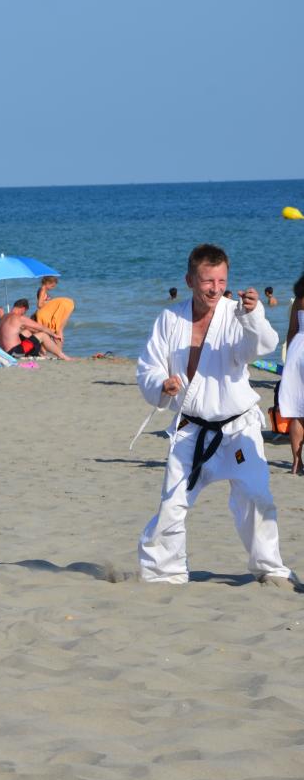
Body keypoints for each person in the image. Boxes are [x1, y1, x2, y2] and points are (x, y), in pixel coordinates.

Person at [136, 243, 294, 586]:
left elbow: (261, 346)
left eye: (222, 281)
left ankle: (269, 568)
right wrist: (162, 384)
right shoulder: (170, 319)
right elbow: (148, 365)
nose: (215, 289)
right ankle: (163, 571)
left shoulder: (237, 314)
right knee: (173, 503)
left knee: (256, 496)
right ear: (190, 280)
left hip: (238, 428)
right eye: (208, 281)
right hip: (192, 429)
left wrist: (254, 315)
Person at [276, 272, 304, 473]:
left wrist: (290, 360)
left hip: (298, 349)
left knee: (298, 411)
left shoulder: (299, 299)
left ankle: (296, 462)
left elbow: (292, 330)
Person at [0, 299, 72, 360]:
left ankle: (39, 353)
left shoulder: (4, 317)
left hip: (4, 353)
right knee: (43, 335)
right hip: (14, 353)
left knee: (26, 332)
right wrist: (54, 335)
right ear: (23, 309)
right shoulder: (19, 318)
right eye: (25, 312)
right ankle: (62, 356)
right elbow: (41, 327)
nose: (24, 314)